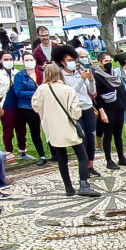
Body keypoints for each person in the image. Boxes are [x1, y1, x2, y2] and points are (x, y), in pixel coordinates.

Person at [32, 64, 100, 197]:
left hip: (52, 128)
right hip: (68, 126)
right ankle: (83, 184)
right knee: (82, 156)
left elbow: (35, 106)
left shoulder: (41, 89)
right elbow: (76, 112)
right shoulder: (68, 89)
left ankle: (68, 187)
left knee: (62, 158)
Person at [54, 45, 98, 176]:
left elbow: (92, 92)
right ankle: (84, 167)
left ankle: (91, 165)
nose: (72, 62)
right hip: (75, 110)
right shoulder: (61, 76)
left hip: (88, 107)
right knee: (82, 139)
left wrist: (91, 81)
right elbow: (70, 92)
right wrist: (81, 79)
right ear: (62, 62)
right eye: (69, 60)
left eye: (73, 60)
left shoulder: (80, 71)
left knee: (91, 138)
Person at [93, 52, 126, 170]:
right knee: (108, 134)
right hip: (107, 108)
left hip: (119, 106)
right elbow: (97, 95)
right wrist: (101, 111)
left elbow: (122, 90)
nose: (109, 63)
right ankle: (109, 160)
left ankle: (121, 157)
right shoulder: (98, 76)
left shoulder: (115, 74)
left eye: (110, 61)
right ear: (100, 62)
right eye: (106, 61)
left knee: (118, 133)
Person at [13, 52, 48, 165]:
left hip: (43, 106)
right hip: (27, 108)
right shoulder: (20, 76)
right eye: (26, 60)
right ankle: (42, 155)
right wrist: (37, 93)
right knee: (35, 132)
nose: (29, 62)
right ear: (23, 62)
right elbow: (19, 92)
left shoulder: (41, 74)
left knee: (48, 129)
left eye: (31, 59)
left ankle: (55, 153)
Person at [0, 51, 23, 162]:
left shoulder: (17, 72)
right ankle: (9, 153)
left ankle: (22, 150)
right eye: (6, 59)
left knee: (21, 128)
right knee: (8, 130)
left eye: (10, 59)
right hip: (6, 105)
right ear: (0, 60)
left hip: (18, 104)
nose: (9, 61)